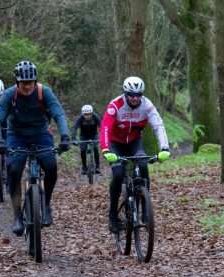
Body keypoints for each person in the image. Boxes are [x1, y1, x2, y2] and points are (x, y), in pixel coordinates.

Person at [0, 60, 71, 236]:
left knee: (50, 165)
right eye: (23, 83)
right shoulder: (9, 95)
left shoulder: (44, 92)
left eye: (30, 83)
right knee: (14, 168)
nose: (27, 87)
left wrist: (65, 135)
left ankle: (47, 204)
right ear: (17, 82)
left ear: (35, 81)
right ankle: (17, 215)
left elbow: (58, 113)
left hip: (41, 133)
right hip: (16, 135)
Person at [100, 76, 171, 233]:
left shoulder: (147, 105)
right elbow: (105, 127)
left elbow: (158, 125)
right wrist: (105, 149)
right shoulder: (115, 105)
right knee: (118, 174)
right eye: (131, 95)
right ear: (125, 93)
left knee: (143, 165)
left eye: (138, 95)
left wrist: (164, 148)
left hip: (134, 142)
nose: (134, 98)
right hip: (115, 144)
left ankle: (145, 208)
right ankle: (113, 216)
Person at [71, 104, 101, 175]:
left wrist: (103, 137)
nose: (87, 116)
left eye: (89, 114)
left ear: (92, 113)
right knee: (83, 150)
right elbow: (75, 128)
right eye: (85, 114)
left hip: (94, 135)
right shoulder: (80, 118)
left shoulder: (95, 117)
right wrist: (74, 138)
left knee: (95, 148)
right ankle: (84, 167)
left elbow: (102, 126)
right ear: (83, 114)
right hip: (83, 136)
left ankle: (97, 167)